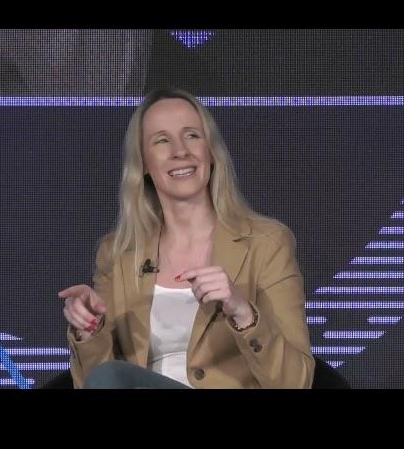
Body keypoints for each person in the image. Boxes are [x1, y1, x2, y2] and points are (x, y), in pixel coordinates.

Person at [58, 87, 314, 388]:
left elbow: (296, 381)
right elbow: (94, 383)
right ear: (143, 164)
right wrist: (90, 330)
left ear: (211, 152)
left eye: (192, 135)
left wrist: (242, 311)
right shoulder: (119, 254)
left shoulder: (266, 243)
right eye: (162, 140)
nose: (181, 150)